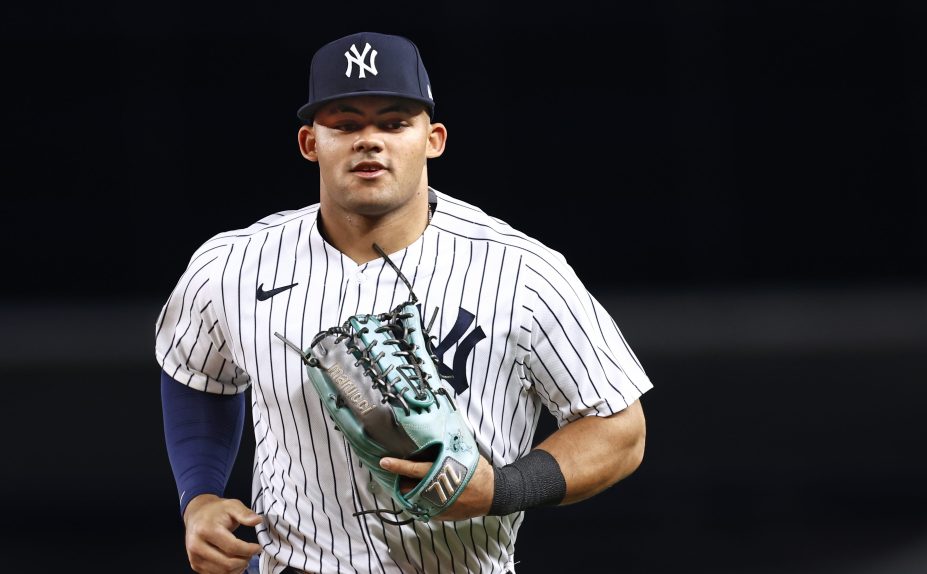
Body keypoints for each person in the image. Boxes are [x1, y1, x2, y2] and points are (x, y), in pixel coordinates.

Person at [157, 31, 652, 574]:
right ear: (309, 143)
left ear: (433, 138)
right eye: (345, 124)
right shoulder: (233, 265)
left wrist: (504, 488)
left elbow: (620, 431)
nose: (369, 141)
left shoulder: (522, 272)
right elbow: (197, 375)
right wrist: (199, 497)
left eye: (394, 123)